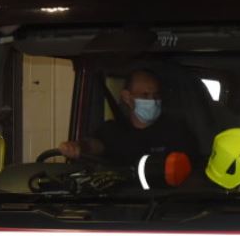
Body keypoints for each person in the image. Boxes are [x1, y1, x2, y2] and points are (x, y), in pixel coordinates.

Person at [60, 69, 195, 166]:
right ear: (127, 97)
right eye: (145, 95)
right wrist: (77, 147)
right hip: (119, 201)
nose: (153, 101)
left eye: (156, 95)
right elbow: (95, 145)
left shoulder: (176, 131)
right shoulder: (113, 130)